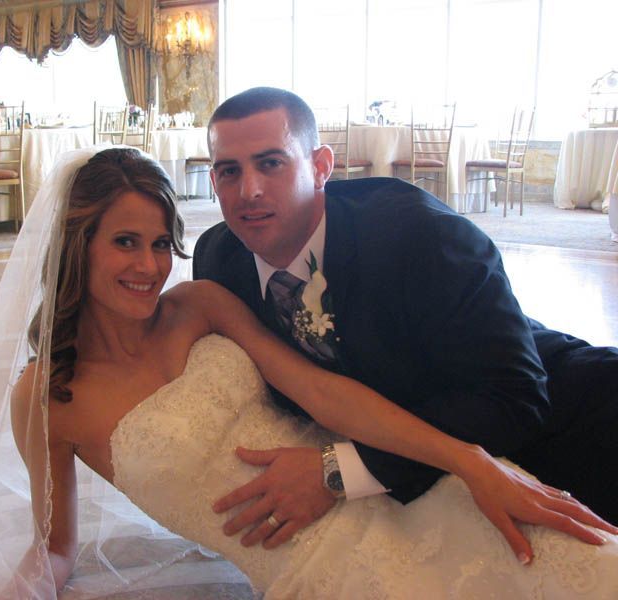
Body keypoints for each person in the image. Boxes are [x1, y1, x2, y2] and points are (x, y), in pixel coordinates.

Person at [0, 146, 617, 599]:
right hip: (319, 571)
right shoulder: (45, 398)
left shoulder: (200, 304)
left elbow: (323, 391)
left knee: (583, 565)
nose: (149, 267)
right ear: (75, 244)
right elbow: (55, 548)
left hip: (383, 489)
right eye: (124, 242)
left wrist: (471, 463)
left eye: (158, 244)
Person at [193, 86, 618, 554]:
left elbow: (515, 397)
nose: (248, 191)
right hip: (425, 472)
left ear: (320, 167)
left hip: (567, 428)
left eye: (271, 163)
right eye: (229, 171)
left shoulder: (423, 238)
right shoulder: (219, 259)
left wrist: (339, 470)